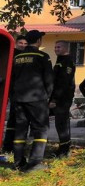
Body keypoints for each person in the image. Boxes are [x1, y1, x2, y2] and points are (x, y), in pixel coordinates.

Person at [11, 30, 53, 172]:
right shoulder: (42, 56)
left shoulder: (17, 57)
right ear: (39, 41)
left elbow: (12, 78)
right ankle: (34, 163)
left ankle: (18, 162)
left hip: (18, 98)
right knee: (41, 129)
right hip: (36, 98)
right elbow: (48, 79)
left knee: (20, 129)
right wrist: (47, 95)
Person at [2, 35, 28, 154]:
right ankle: (8, 145)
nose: (23, 45)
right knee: (13, 117)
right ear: (16, 43)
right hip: (11, 88)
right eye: (21, 43)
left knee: (16, 117)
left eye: (25, 43)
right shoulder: (12, 54)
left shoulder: (27, 55)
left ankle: (12, 145)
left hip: (20, 89)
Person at [50, 41, 76, 157]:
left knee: (61, 124)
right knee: (60, 124)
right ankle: (64, 147)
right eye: (55, 47)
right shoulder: (60, 60)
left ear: (65, 48)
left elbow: (63, 83)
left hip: (62, 99)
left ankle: (64, 150)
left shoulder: (67, 61)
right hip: (59, 97)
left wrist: (54, 99)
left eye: (59, 47)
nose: (56, 49)